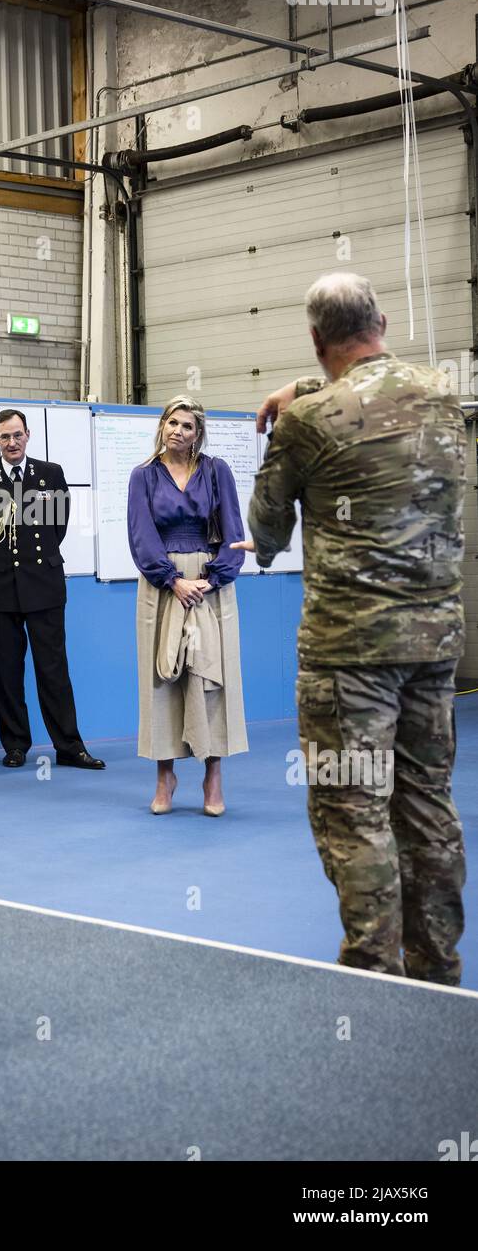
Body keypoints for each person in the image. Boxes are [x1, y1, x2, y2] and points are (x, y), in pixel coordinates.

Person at [233, 271, 466, 982]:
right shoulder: (443, 395)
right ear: (383, 323)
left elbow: (265, 529)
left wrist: (299, 397)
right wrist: (306, 388)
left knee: (353, 810)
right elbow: (379, 397)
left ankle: (371, 971)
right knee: (427, 806)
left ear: (314, 340)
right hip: (433, 647)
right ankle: (436, 969)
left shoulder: (308, 424)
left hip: (349, 658)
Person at [128, 396, 247, 815]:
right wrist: (173, 580)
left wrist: (210, 579)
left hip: (210, 586)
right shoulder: (143, 476)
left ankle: (213, 775)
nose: (178, 431)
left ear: (198, 433)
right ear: (162, 426)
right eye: (172, 423)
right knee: (163, 678)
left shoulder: (217, 472)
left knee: (211, 677)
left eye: (187, 426)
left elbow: (234, 534)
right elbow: (141, 536)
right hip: (162, 588)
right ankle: (165, 776)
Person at [0, 409, 105, 771]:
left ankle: (69, 746)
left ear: (28, 435)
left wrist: (38, 563)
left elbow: (57, 528)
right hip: (0, 589)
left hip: (43, 586)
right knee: (6, 671)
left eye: (17, 435)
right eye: (5, 437)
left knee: (53, 670)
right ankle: (15, 745)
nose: (12, 442)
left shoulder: (50, 475)